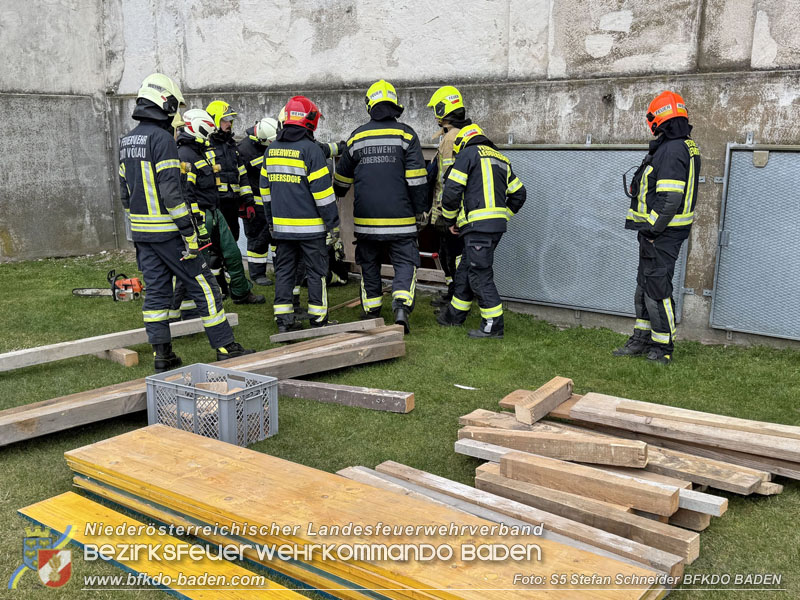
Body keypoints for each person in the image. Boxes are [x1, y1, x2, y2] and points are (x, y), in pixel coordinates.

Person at [118, 74, 253, 371]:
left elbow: (124, 192)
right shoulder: (163, 139)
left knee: (155, 294)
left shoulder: (127, 140)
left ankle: (162, 355)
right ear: (163, 102)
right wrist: (189, 232)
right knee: (205, 287)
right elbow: (171, 192)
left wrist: (139, 224)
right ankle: (225, 347)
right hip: (169, 233)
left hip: (142, 234)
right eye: (173, 105)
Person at [333, 79, 428, 333]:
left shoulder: (358, 136)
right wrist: (420, 210)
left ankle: (372, 310)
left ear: (369, 106)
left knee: (370, 264)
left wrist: (338, 194)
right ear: (395, 105)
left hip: (367, 220)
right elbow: (417, 179)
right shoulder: (406, 135)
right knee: (405, 262)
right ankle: (400, 308)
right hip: (401, 219)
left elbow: (342, 179)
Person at [613, 91, 700, 365]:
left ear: (659, 117)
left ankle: (663, 347)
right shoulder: (681, 145)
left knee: (657, 291)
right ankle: (642, 338)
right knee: (645, 286)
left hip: (661, 234)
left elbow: (670, 197)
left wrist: (651, 229)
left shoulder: (673, 149)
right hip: (659, 233)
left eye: (651, 118)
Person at [435, 124, 527, 338]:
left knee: (479, 275)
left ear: (463, 141)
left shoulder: (467, 154)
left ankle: (493, 326)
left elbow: (452, 191)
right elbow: (519, 194)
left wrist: (449, 220)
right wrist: (503, 216)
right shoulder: (501, 158)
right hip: (493, 229)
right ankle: (454, 316)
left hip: (477, 228)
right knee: (467, 269)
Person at [260, 96, 340, 333]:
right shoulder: (311, 150)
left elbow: (265, 192)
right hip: (311, 229)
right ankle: (318, 319)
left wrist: (271, 222)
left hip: (282, 229)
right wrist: (333, 224)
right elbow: (323, 194)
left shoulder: (271, 150)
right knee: (316, 273)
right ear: (310, 121)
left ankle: (284, 322)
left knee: (284, 272)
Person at [173, 108, 264, 317]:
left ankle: (241, 292)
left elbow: (227, 176)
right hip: (202, 214)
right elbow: (187, 194)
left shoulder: (203, 151)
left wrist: (244, 199)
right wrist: (196, 219)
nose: (211, 134)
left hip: (215, 210)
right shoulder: (185, 156)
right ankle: (182, 307)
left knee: (232, 252)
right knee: (198, 260)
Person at [426, 85, 471, 308]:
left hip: (450, 211)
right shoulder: (455, 134)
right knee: (447, 254)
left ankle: (457, 295)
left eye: (436, 109)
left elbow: (450, 181)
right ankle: (453, 292)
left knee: (451, 255)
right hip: (450, 209)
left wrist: (448, 216)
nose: (435, 115)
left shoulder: (452, 138)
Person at [205, 100, 254, 242]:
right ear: (214, 120)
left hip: (232, 204)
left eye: (230, 120)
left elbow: (242, 175)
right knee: (216, 244)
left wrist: (248, 202)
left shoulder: (232, 146)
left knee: (233, 240)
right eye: (225, 120)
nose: (229, 124)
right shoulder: (205, 146)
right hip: (215, 205)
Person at [238, 117, 279, 286]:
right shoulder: (244, 150)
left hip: (272, 202)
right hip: (255, 204)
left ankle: (281, 268)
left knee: (277, 239)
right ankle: (257, 274)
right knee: (257, 239)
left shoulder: (266, 142)